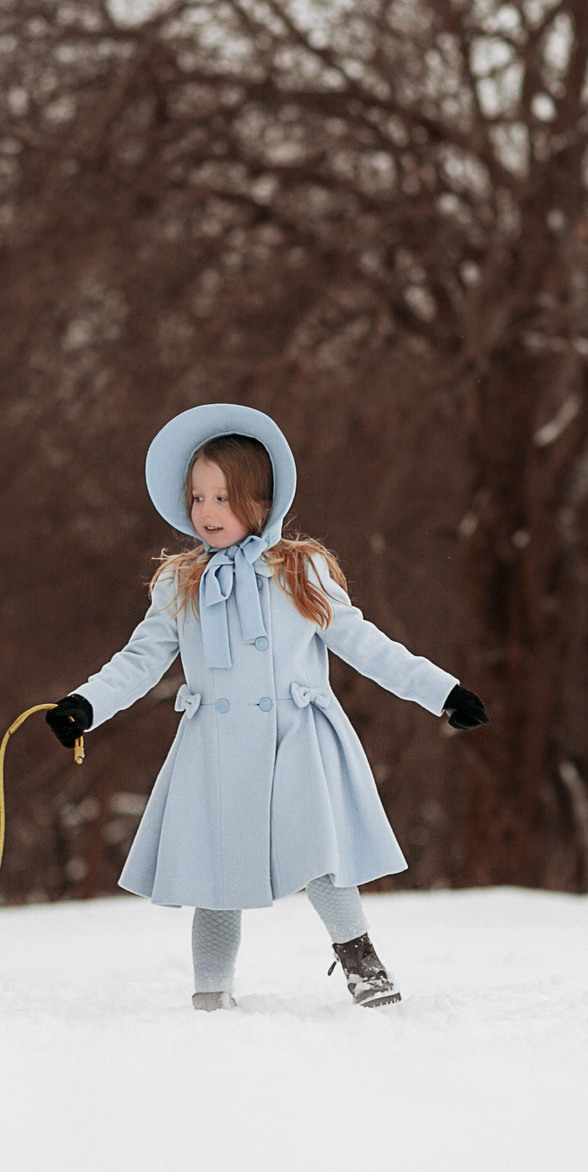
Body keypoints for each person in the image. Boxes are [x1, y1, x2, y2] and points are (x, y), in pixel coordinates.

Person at [47, 403, 489, 1010]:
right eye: (198, 498)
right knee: (215, 873)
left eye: (223, 498)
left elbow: (366, 644)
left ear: (261, 499)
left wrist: (443, 691)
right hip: (216, 745)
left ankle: (362, 965)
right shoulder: (181, 583)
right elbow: (138, 660)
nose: (207, 512)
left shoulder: (299, 571)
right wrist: (84, 704)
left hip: (296, 738)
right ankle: (210, 991)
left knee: (320, 855)